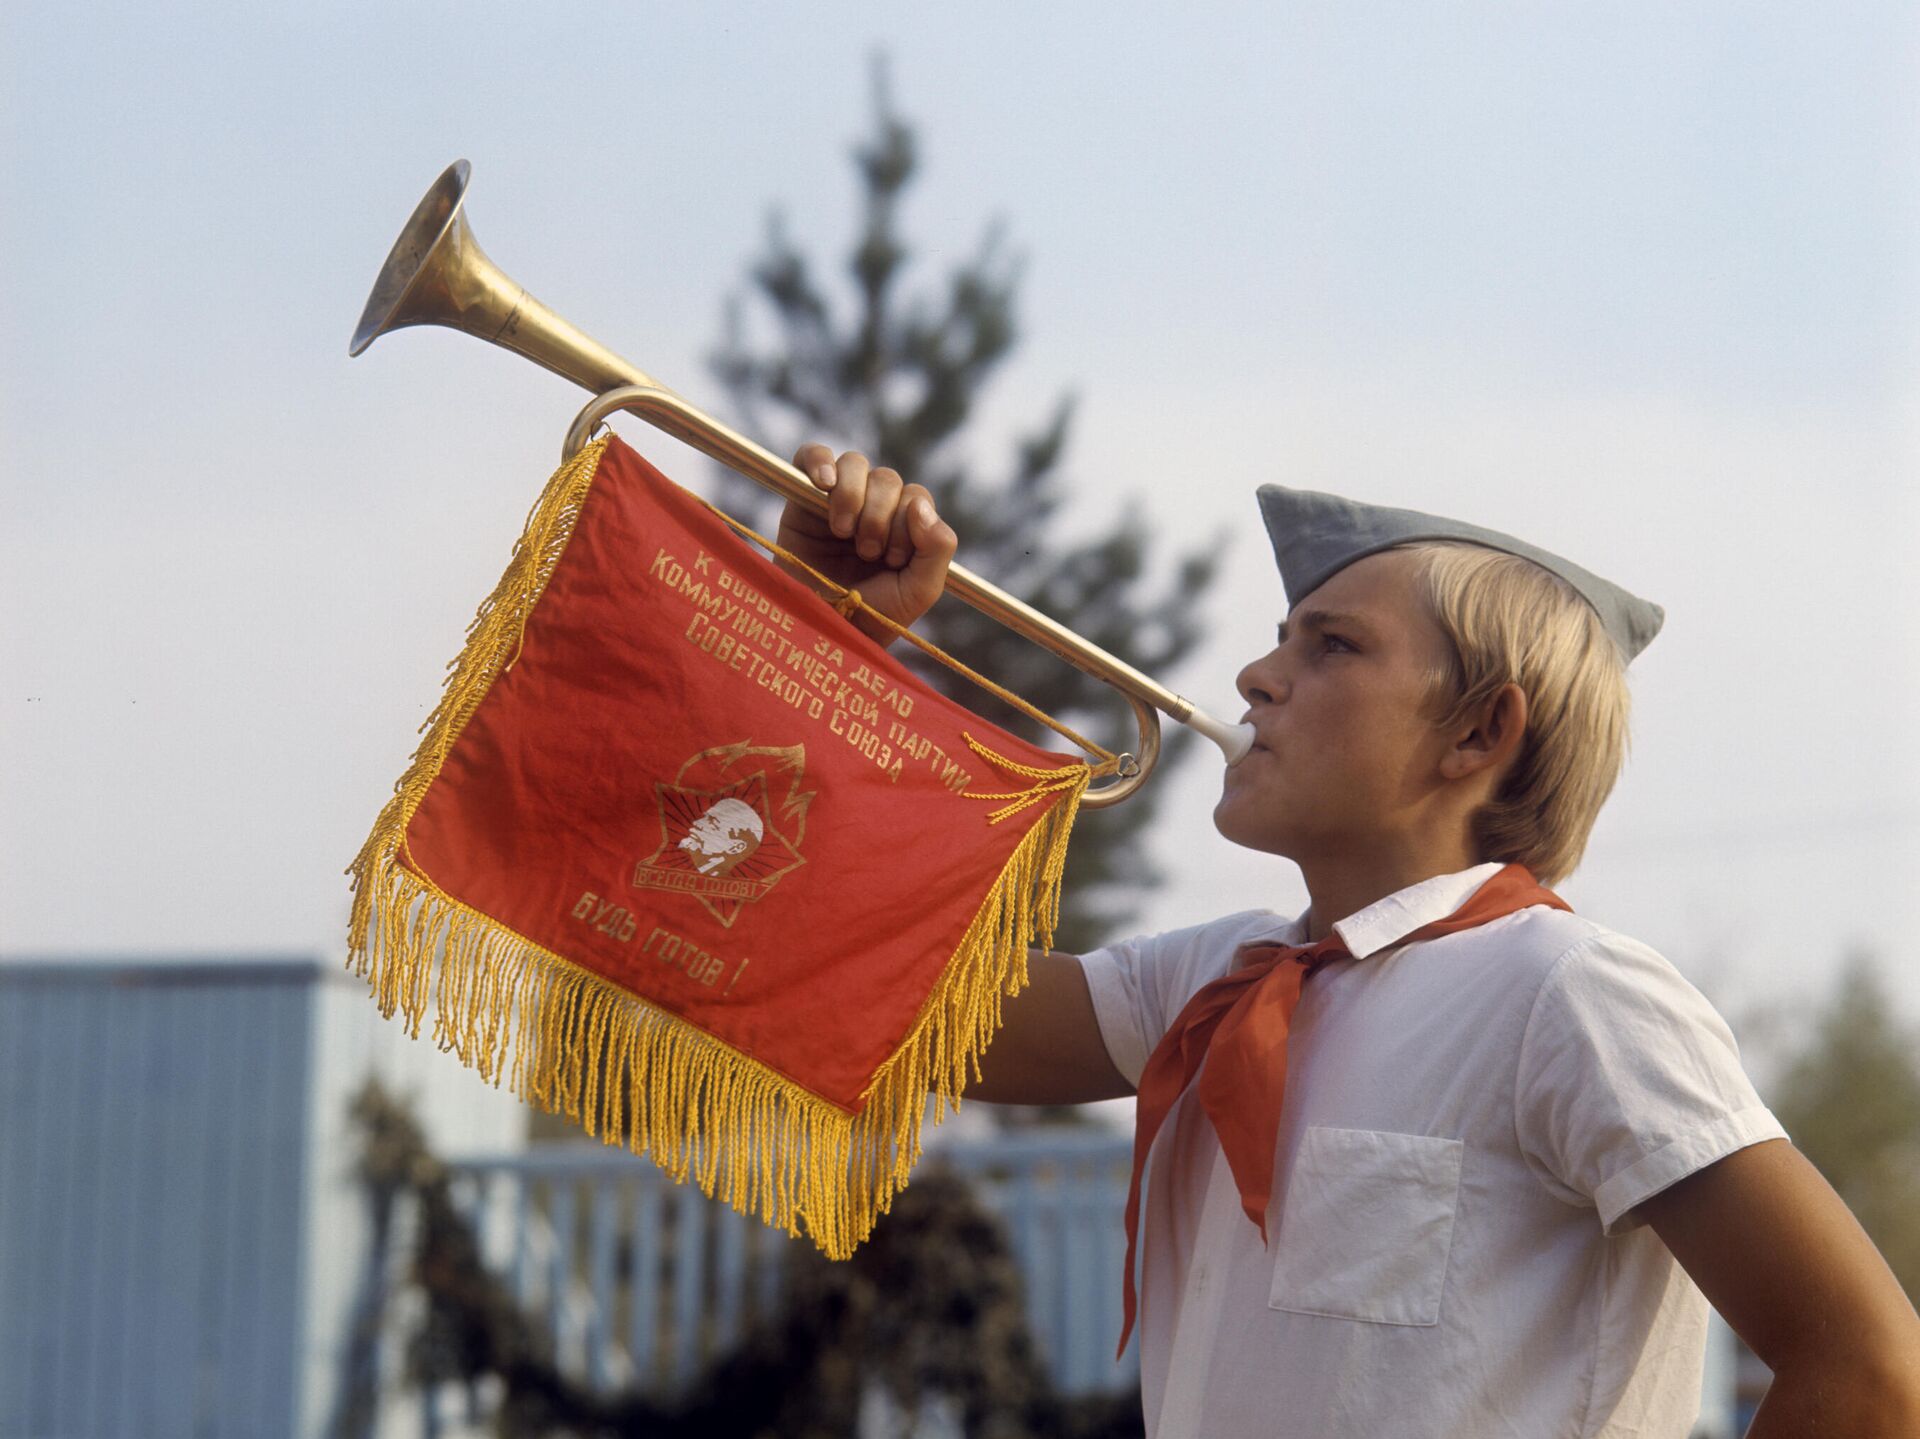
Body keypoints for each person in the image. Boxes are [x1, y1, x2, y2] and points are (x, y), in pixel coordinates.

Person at [775, 442, 1920, 1437]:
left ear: (1479, 728)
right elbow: (840, 960)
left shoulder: (1573, 991)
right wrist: (815, 634)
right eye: (1283, 639)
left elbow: (1871, 1372)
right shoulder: (1212, 976)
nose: (1255, 675)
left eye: (1331, 647)